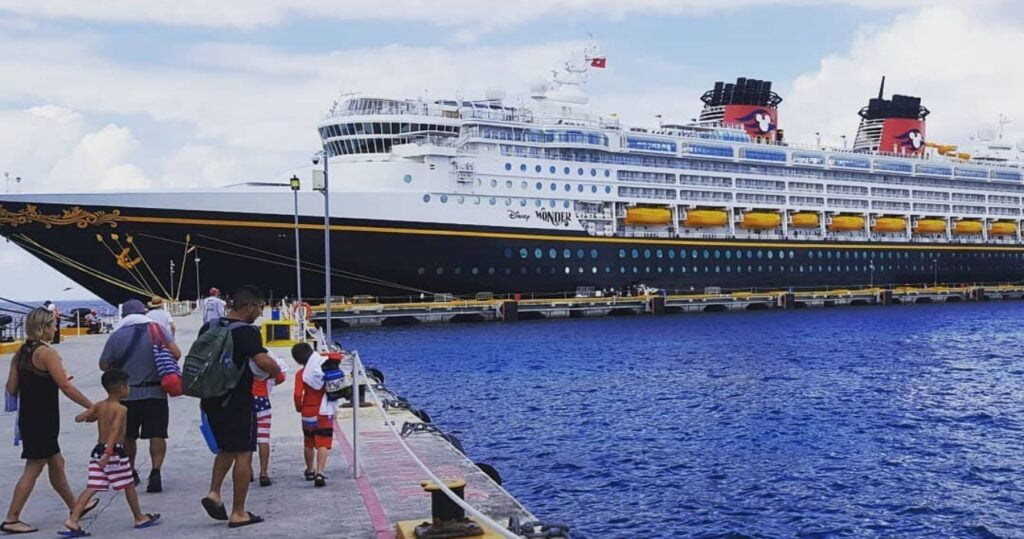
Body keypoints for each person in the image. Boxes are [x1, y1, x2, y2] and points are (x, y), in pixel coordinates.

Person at [2, 308, 98, 535]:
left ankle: (75, 506)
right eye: (53, 325)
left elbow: (11, 388)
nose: (56, 329)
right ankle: (11, 518)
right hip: (43, 418)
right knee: (33, 467)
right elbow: (65, 386)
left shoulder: (21, 352)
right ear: (43, 327)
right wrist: (90, 406)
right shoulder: (47, 353)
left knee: (57, 463)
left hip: (28, 416)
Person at [199, 285, 279, 528]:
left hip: (210, 398)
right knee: (244, 453)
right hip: (238, 401)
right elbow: (262, 361)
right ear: (248, 306)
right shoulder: (247, 332)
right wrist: (276, 370)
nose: (260, 313)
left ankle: (214, 492)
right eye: (259, 308)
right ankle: (238, 512)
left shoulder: (209, 327)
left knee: (226, 448)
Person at [62, 369, 160, 536]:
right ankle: (139, 517)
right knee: (128, 484)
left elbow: (84, 417)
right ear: (122, 388)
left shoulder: (100, 405)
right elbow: (115, 430)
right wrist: (109, 453)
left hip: (98, 451)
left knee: (92, 486)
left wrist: (85, 416)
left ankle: (73, 519)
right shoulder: (121, 409)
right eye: (128, 386)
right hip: (113, 452)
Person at [98, 299, 181, 494]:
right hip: (156, 392)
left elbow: (103, 365)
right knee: (158, 434)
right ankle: (155, 472)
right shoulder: (158, 330)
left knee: (128, 436)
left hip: (127, 394)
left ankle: (131, 472)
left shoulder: (117, 335)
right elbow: (176, 354)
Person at [291, 342, 333, 487]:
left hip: (307, 412)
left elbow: (297, 394)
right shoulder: (323, 370)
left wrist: (299, 407)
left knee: (308, 442)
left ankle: (310, 470)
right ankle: (320, 473)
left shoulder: (300, 374)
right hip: (323, 411)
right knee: (323, 443)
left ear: (297, 360)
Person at [251, 354, 286, 487]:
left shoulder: (244, 358)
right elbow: (281, 377)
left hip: (246, 401)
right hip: (262, 400)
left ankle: (247, 470)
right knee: (263, 438)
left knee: (247, 439)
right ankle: (264, 473)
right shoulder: (267, 360)